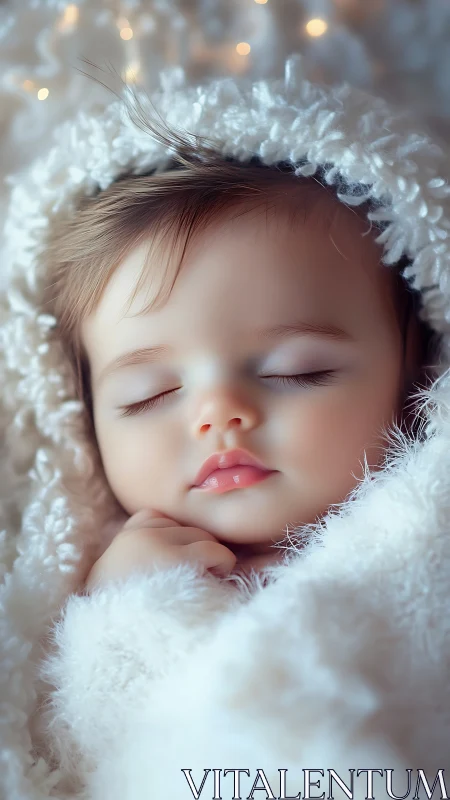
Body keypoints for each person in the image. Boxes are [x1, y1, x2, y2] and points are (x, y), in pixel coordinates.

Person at [1, 57, 449, 799]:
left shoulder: (423, 540)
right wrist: (121, 612)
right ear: (82, 419)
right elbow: (88, 760)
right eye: (152, 393)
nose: (219, 414)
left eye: (297, 370)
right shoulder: (102, 586)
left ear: (417, 371)